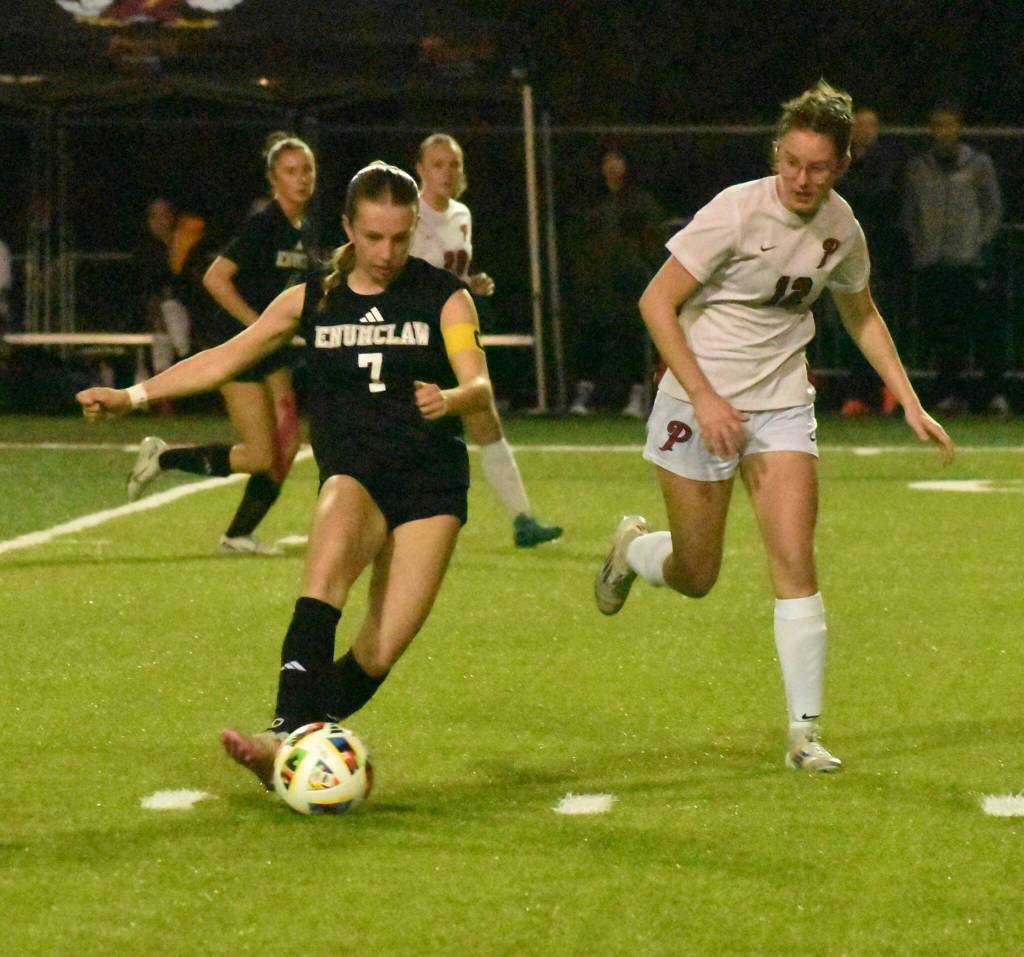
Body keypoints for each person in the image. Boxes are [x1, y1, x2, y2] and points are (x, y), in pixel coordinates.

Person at [77, 161, 494, 788]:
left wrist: (455, 399)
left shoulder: (445, 295)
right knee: (323, 571)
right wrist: (133, 397)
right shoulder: (313, 298)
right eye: (374, 237)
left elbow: (479, 380)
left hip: (431, 487)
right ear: (349, 228)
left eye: (400, 238)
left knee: (377, 654)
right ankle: (281, 739)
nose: (386, 253)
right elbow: (224, 357)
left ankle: (300, 739)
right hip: (355, 472)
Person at [594, 81, 954, 774]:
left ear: (842, 163)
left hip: (782, 403)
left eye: (818, 166)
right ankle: (632, 552)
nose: (801, 177)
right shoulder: (735, 211)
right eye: (791, 161)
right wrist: (704, 397)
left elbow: (861, 313)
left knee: (794, 557)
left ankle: (804, 733)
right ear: (776, 153)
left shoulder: (842, 226)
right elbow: (657, 302)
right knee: (697, 573)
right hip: (697, 402)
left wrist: (908, 399)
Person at [126, 133, 316, 556]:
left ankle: (238, 534)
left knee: (287, 446)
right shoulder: (265, 224)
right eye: (290, 172)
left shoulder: (304, 228)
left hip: (270, 348)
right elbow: (215, 278)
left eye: (306, 170)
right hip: (237, 346)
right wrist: (259, 325)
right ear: (273, 180)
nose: (301, 179)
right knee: (261, 456)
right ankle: (163, 459)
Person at [411, 133, 562, 548]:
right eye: (438, 164)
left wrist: (471, 282)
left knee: (484, 415)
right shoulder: (410, 215)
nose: (447, 172)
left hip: (450, 332)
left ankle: (523, 519)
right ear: (420, 169)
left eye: (453, 164)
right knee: (407, 430)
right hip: (414, 337)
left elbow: (448, 272)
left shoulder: (461, 214)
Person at [902, 103, 1006, 415]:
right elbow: (910, 212)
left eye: (949, 125)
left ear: (958, 128)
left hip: (969, 260)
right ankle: (950, 393)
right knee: (943, 331)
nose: (944, 132)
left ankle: (992, 394)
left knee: (983, 328)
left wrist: (979, 242)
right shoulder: (919, 167)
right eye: (938, 126)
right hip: (933, 261)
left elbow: (993, 208)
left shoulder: (978, 164)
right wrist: (919, 247)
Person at [570, 148, 665, 417]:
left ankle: (636, 396)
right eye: (607, 160)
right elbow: (580, 240)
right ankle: (584, 394)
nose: (613, 166)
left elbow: (653, 241)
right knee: (592, 334)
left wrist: (641, 266)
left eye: (618, 160)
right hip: (597, 282)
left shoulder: (640, 201)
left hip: (630, 281)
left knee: (631, 336)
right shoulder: (592, 202)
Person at [836, 108, 905, 416]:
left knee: (879, 320)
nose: (865, 130)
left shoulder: (888, 163)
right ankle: (857, 392)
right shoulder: (839, 163)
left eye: (871, 125)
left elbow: (886, 200)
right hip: (842, 253)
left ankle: (889, 389)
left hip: (880, 254)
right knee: (848, 323)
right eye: (859, 125)